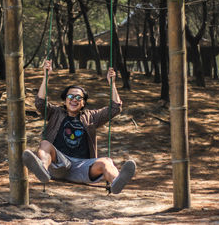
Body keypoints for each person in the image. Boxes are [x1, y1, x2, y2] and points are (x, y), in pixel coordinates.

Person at [22, 60, 136, 194]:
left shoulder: (91, 116)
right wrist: (46, 77)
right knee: (45, 144)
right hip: (59, 165)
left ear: (83, 103)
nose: (74, 99)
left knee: (106, 161)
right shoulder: (55, 113)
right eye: (70, 96)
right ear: (65, 101)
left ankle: (116, 182)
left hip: (83, 167)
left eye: (78, 97)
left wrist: (112, 84)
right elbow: (40, 103)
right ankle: (43, 169)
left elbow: (115, 108)